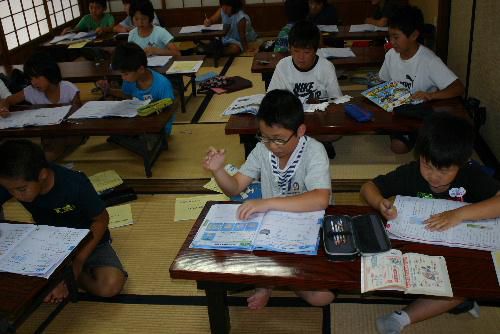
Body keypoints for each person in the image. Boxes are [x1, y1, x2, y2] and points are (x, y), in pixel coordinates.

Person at [360, 113, 500, 334]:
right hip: (420, 248)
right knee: (381, 266)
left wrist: (459, 214)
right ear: (420, 156)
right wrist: (380, 203)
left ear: (462, 163)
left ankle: (402, 317)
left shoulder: (472, 173)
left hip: (456, 250)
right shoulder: (412, 172)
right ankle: (454, 302)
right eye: (427, 165)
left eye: (444, 171)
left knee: (464, 286)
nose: (433, 176)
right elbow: (368, 187)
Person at [203, 89, 333, 310]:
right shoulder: (262, 150)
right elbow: (234, 187)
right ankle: (271, 280)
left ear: (300, 130)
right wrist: (218, 171)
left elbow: (321, 199)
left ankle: (272, 280)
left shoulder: (314, 151)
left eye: (279, 139)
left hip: (308, 222)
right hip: (271, 224)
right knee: (220, 262)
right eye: (265, 138)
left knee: (323, 297)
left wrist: (266, 202)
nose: (273, 146)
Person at [0, 140, 127, 302]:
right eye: (10, 190)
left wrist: (77, 264)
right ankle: (55, 279)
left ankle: (60, 279)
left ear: (42, 176)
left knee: (111, 285)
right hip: (45, 239)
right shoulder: (15, 181)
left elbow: (101, 220)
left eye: (21, 189)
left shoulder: (75, 185)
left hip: (88, 240)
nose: (16, 196)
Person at [379, 5, 464, 154]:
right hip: (399, 109)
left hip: (421, 111)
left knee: (407, 147)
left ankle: (422, 134)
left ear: (413, 35)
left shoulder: (429, 60)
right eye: (389, 36)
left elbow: (458, 88)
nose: (391, 42)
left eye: (396, 37)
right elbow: (384, 80)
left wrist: (431, 95)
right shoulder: (391, 55)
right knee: (397, 146)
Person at [268, 20, 342, 159]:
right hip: (292, 119)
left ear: (316, 50)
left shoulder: (326, 67)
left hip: (318, 119)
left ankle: (300, 143)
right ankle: (314, 144)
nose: (300, 57)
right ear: (289, 48)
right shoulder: (283, 65)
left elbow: (337, 101)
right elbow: (272, 98)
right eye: (296, 51)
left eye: (307, 52)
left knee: (336, 132)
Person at [0, 52, 84, 162]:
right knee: (48, 143)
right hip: (48, 133)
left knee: (55, 143)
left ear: (49, 73)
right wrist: (3, 108)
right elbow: (7, 100)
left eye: (37, 77)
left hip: (71, 131)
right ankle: (47, 161)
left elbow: (79, 116)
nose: (33, 82)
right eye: (30, 78)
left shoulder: (68, 88)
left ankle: (43, 163)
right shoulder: (31, 91)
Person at [98, 42, 175, 135]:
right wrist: (109, 90)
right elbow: (127, 95)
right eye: (121, 74)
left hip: (158, 128)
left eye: (125, 74)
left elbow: (168, 112)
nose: (123, 78)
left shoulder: (162, 84)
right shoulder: (129, 81)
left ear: (141, 69)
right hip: (136, 122)